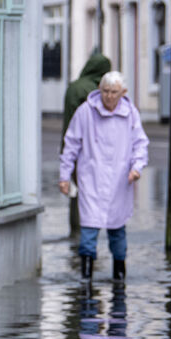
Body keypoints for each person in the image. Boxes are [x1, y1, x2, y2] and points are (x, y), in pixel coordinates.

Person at [59, 70, 148, 282]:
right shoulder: (85, 112)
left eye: (114, 92)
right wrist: (64, 176)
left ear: (123, 92)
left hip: (119, 180)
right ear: (99, 90)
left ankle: (119, 275)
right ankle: (86, 277)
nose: (109, 96)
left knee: (117, 230)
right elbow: (70, 145)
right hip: (92, 178)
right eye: (105, 91)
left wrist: (137, 168)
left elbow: (140, 144)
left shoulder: (130, 114)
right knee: (89, 229)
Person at [61, 51, 112, 237]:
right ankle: (85, 231)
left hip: (70, 145)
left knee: (76, 190)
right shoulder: (91, 91)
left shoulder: (74, 86)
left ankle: (75, 230)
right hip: (87, 149)